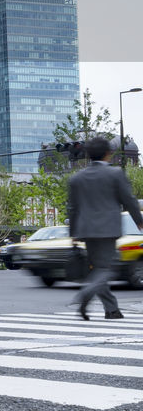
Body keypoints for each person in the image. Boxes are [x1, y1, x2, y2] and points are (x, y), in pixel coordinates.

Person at [68, 137, 143, 320]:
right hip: (108, 228)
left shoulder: (77, 178)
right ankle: (86, 293)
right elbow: (129, 200)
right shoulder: (115, 174)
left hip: (85, 230)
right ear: (108, 153)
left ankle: (112, 310)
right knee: (107, 268)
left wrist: (73, 232)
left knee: (98, 269)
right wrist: (139, 221)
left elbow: (72, 207)